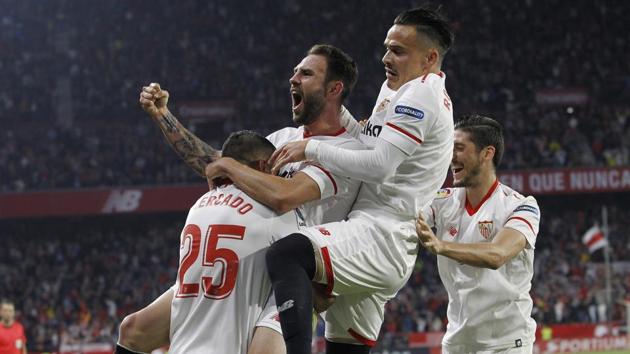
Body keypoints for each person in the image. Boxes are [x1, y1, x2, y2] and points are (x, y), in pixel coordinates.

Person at [117, 44, 363, 353]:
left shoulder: (346, 151)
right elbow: (215, 163)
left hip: (293, 274)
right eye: (296, 71)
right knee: (134, 330)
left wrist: (229, 166)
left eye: (306, 73)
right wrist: (164, 116)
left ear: (334, 89)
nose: (293, 78)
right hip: (244, 256)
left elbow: (284, 196)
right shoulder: (284, 139)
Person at [258, 7, 455, 354]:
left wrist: (311, 148)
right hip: (372, 235)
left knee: (288, 253)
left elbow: (379, 166)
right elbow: (369, 141)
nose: (386, 57)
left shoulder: (423, 94)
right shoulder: (397, 89)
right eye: (386, 47)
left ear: (430, 58)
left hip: (382, 235)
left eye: (398, 50)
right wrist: (335, 108)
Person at [117, 131, 301, 354]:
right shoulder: (276, 213)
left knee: (131, 330)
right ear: (263, 167)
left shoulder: (199, 205)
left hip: (181, 348)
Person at [416, 115, 540, 354]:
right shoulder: (442, 201)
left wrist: (441, 246)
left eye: (459, 148)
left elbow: (497, 254)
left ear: (487, 153)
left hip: (506, 343)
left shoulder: (521, 206)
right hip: (457, 341)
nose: (451, 156)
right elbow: (404, 217)